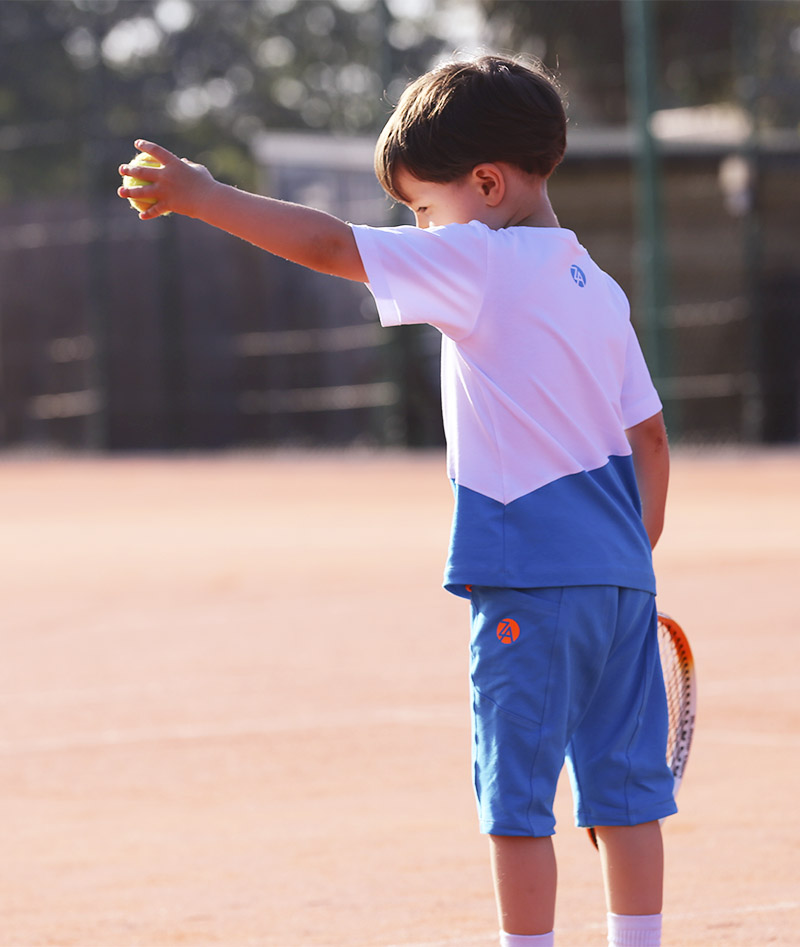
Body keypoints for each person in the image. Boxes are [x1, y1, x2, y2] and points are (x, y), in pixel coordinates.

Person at [118, 54, 675, 947]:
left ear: (486, 185)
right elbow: (651, 443)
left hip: (529, 581)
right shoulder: (601, 291)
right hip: (622, 583)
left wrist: (203, 194)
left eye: (422, 209)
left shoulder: (482, 259)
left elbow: (333, 246)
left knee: (517, 804)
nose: (419, 232)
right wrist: (628, 561)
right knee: (626, 796)